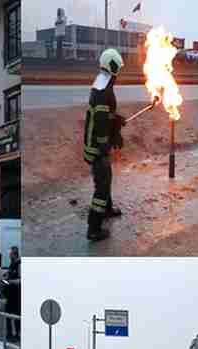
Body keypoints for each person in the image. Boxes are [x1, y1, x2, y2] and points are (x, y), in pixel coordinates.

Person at [83, 48, 126, 242]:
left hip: (99, 143)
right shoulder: (103, 89)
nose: (119, 73)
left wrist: (116, 121)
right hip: (97, 146)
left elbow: (105, 115)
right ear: (113, 66)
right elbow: (100, 121)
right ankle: (94, 228)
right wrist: (104, 143)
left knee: (106, 176)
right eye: (118, 68)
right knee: (102, 185)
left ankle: (107, 210)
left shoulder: (103, 83)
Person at [2, 246, 20, 342]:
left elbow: (21, 280)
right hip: (10, 294)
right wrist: (5, 277)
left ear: (14, 254)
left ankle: (17, 334)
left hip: (17, 294)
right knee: (8, 314)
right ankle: (9, 333)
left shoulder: (19, 264)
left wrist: (10, 281)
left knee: (17, 315)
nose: (9, 256)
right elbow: (9, 274)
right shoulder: (12, 264)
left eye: (10, 254)